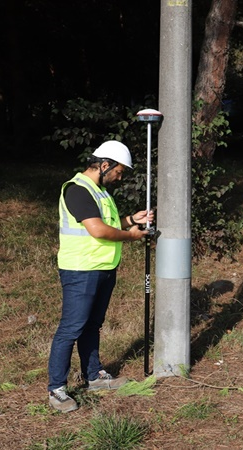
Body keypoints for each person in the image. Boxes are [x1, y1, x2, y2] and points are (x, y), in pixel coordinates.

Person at [47, 140, 154, 413]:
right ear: (104, 165)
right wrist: (131, 236)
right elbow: (97, 230)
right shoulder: (78, 190)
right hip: (81, 270)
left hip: (103, 268)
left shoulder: (100, 192)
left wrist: (131, 220)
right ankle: (56, 389)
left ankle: (94, 376)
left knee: (92, 325)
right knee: (71, 328)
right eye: (118, 172)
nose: (119, 178)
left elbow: (108, 224)